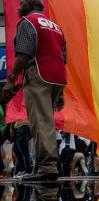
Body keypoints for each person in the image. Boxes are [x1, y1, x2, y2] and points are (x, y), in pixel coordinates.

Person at [2, 0, 66, 181]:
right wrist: (60, 92)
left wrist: (10, 79)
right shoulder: (55, 27)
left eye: (21, 3)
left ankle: (47, 167)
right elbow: (62, 56)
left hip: (40, 75)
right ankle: (46, 166)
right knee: (47, 122)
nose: (18, 6)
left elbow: (25, 53)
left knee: (40, 122)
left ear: (30, 5)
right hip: (57, 78)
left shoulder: (28, 22)